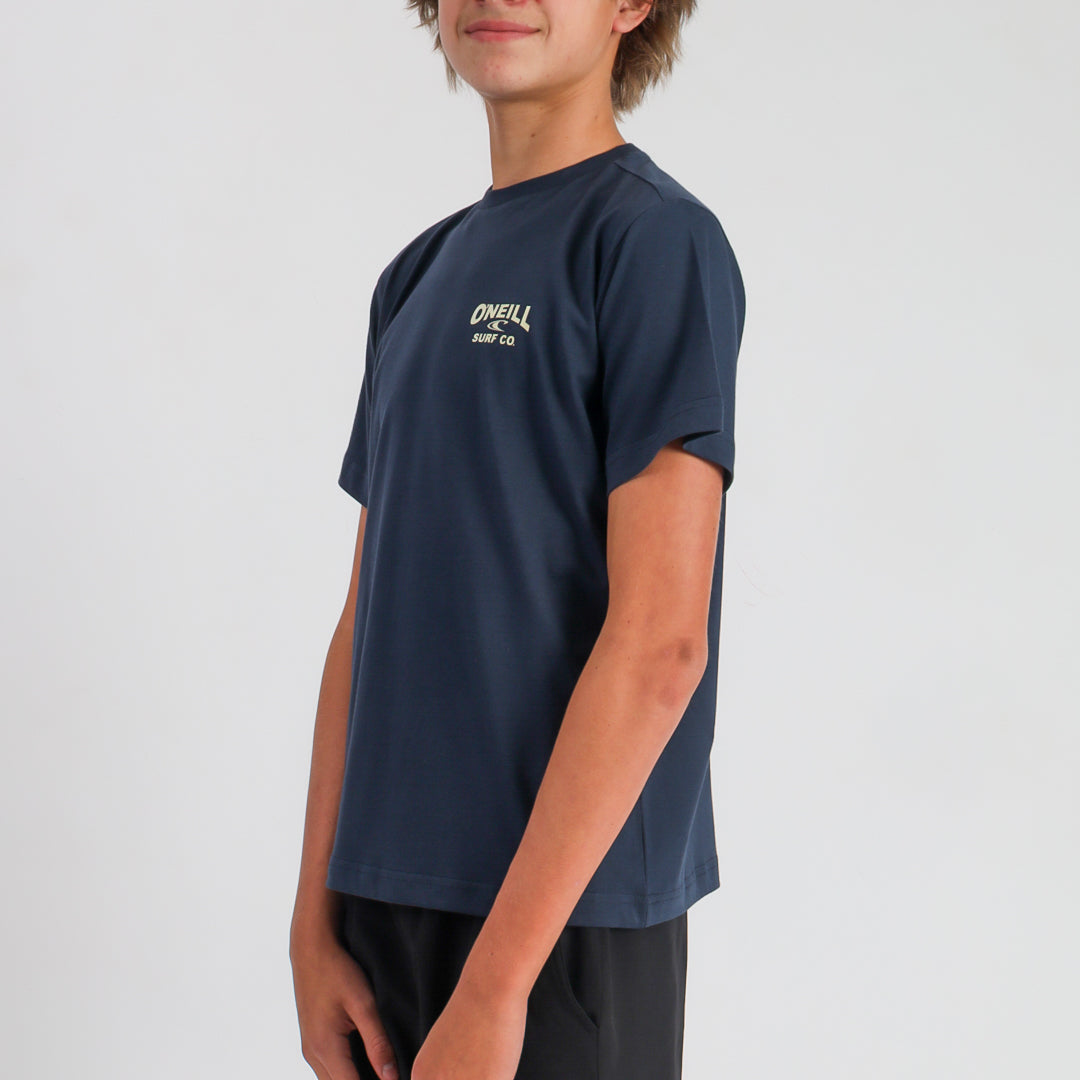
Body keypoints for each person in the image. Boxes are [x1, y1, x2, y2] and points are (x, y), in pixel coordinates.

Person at [289, 2, 747, 1078]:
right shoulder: (414, 277)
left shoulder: (653, 242)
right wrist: (313, 926)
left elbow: (662, 643)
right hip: (385, 911)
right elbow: (364, 624)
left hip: (560, 928)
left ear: (630, 7)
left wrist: (497, 990)